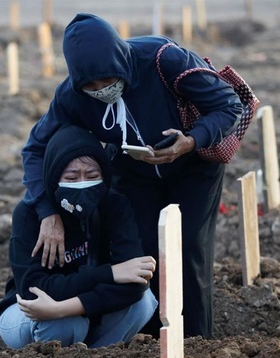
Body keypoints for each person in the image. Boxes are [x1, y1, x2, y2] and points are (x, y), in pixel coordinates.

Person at [21, 13, 243, 338]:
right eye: (91, 86)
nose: (101, 90)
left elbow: (228, 105)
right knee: (142, 256)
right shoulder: (72, 95)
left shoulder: (163, 60)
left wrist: (191, 141)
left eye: (106, 80)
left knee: (189, 249)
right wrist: (47, 211)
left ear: (119, 60)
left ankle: (197, 341)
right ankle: (151, 344)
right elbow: (35, 149)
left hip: (192, 166)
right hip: (133, 172)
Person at [0, 125, 158, 349]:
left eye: (92, 176)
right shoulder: (29, 215)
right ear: (53, 176)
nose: (82, 183)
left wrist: (63, 307)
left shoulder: (115, 206)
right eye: (71, 177)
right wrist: (110, 273)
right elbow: (34, 289)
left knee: (143, 301)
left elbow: (134, 284)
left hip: (72, 310)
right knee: (66, 324)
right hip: (28, 311)